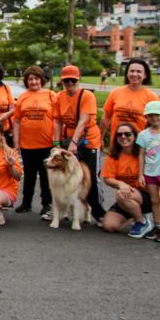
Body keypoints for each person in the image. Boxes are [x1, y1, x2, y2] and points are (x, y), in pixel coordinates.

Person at [53, 64, 105, 222]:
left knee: (91, 177)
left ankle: (98, 211)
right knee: (67, 175)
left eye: (72, 80)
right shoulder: (60, 96)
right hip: (69, 138)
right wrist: (56, 142)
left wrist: (74, 142)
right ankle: (68, 209)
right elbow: (57, 121)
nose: (69, 83)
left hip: (88, 140)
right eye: (66, 80)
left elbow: (83, 121)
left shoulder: (87, 96)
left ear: (78, 80)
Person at [13, 66, 56, 219]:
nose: (33, 82)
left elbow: (57, 119)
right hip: (27, 144)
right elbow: (17, 121)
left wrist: (56, 141)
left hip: (46, 143)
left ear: (41, 80)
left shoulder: (51, 95)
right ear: (27, 81)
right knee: (29, 175)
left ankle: (47, 204)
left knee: (46, 176)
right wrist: (16, 142)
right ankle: (26, 202)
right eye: (30, 79)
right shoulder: (23, 97)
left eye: (36, 79)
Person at [101, 123, 153, 237]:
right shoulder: (114, 156)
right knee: (109, 226)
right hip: (127, 196)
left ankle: (141, 222)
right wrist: (121, 183)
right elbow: (107, 178)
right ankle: (136, 214)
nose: (123, 137)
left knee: (121, 194)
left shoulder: (143, 153)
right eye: (119, 134)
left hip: (147, 195)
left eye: (127, 134)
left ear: (135, 136)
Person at [100, 58, 158, 138]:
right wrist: (100, 136)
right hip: (116, 144)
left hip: (140, 145)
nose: (134, 74)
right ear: (127, 74)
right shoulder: (115, 93)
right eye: (132, 71)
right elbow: (106, 117)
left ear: (145, 75)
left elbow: (157, 124)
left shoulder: (152, 97)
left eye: (139, 72)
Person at [136, 101, 160, 239]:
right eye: (150, 116)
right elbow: (141, 155)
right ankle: (157, 226)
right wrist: (140, 174)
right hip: (150, 172)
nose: (154, 119)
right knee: (154, 200)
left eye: (157, 115)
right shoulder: (143, 135)